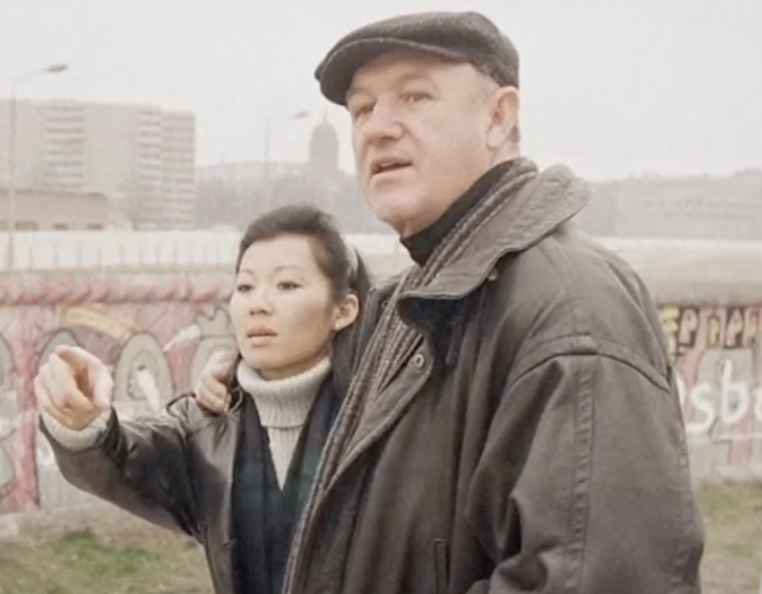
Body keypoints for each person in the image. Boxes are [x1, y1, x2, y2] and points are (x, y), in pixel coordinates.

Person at [194, 11, 705, 594]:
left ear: (498, 117)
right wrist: (244, 377)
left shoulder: (571, 310)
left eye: (415, 96)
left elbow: (597, 578)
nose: (377, 129)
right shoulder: (414, 302)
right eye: (362, 109)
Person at [34, 204, 372, 594]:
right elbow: (124, 460)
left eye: (287, 286)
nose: (258, 304)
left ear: (343, 310)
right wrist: (83, 424)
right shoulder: (210, 428)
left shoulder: (383, 419)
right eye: (245, 287)